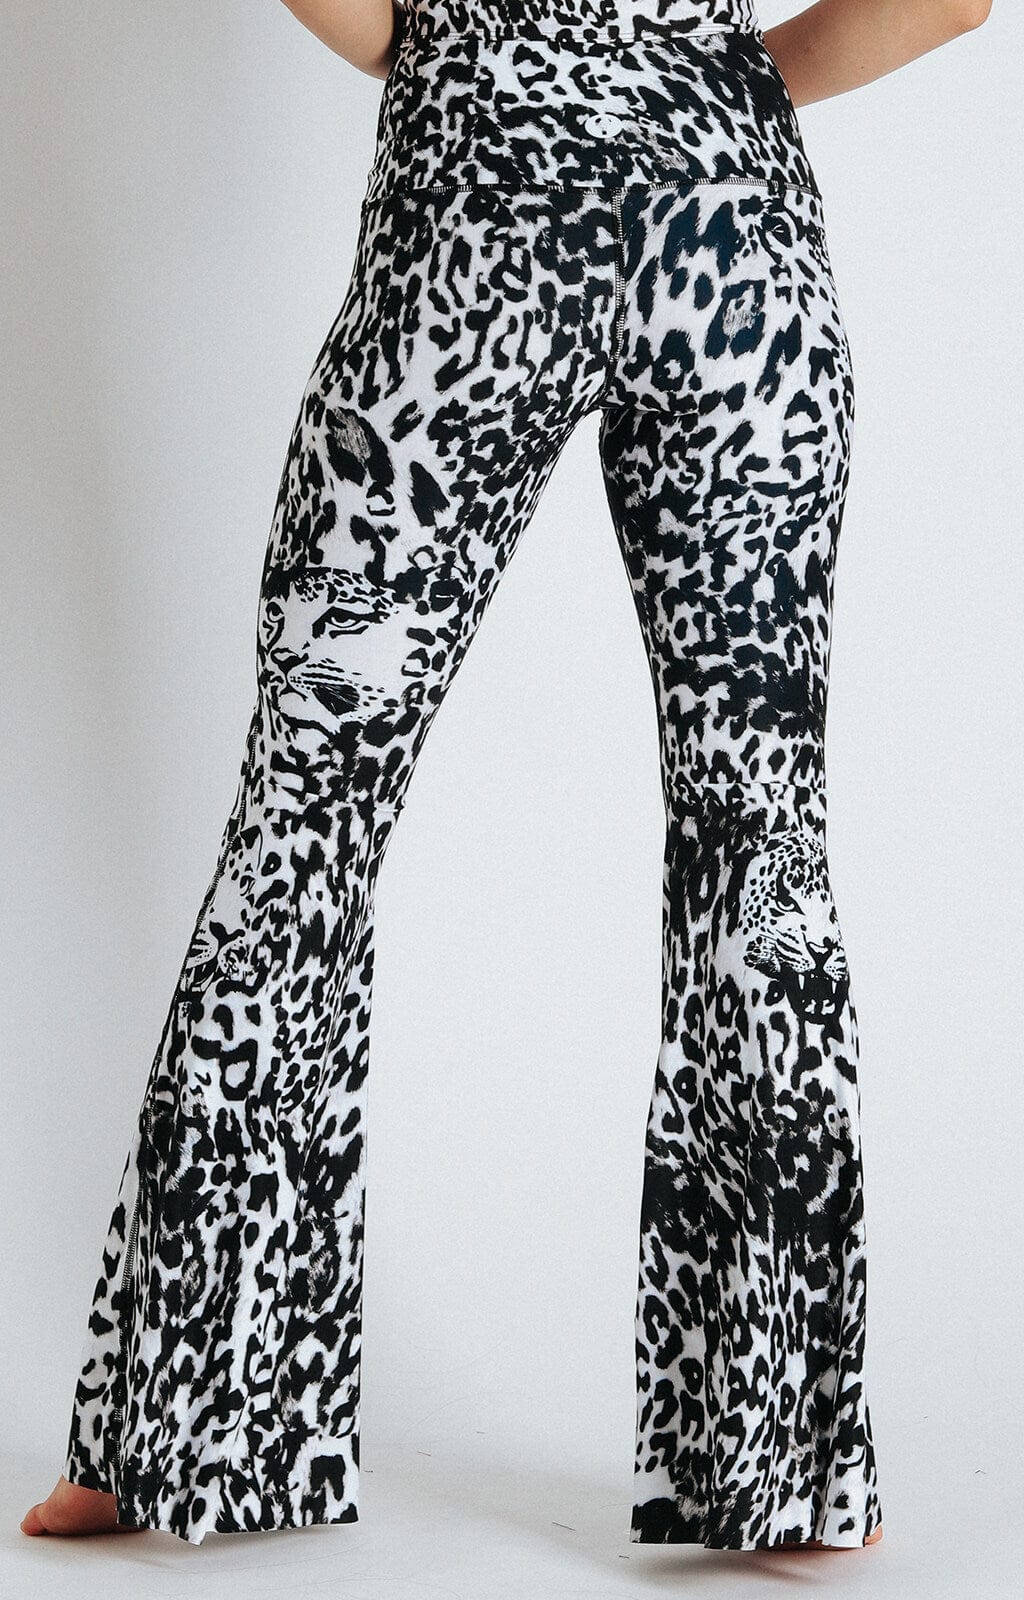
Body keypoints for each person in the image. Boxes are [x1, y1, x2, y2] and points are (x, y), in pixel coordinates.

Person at [22, 0, 990, 1552]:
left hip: (475, 215)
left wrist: (485, 51)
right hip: (733, 221)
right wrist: (702, 82)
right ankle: (787, 1470)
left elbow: (363, 20)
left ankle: (186, 1433)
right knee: (760, 836)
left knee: (310, 811)